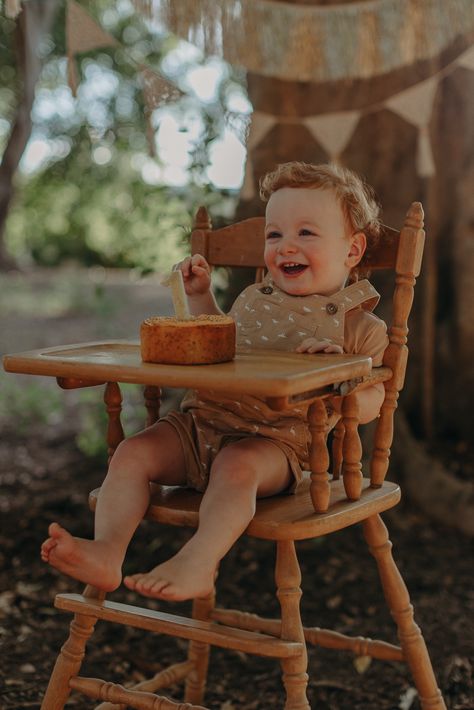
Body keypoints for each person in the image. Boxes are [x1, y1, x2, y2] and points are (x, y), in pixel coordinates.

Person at [41, 161, 388, 602]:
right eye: (274, 234)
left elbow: (377, 397)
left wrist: (342, 374)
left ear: (352, 250)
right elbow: (220, 341)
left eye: (306, 233)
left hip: (275, 446)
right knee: (132, 452)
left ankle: (200, 561)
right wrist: (201, 296)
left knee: (236, 466)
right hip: (201, 425)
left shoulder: (360, 329)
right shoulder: (253, 300)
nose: (285, 246)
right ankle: (107, 552)